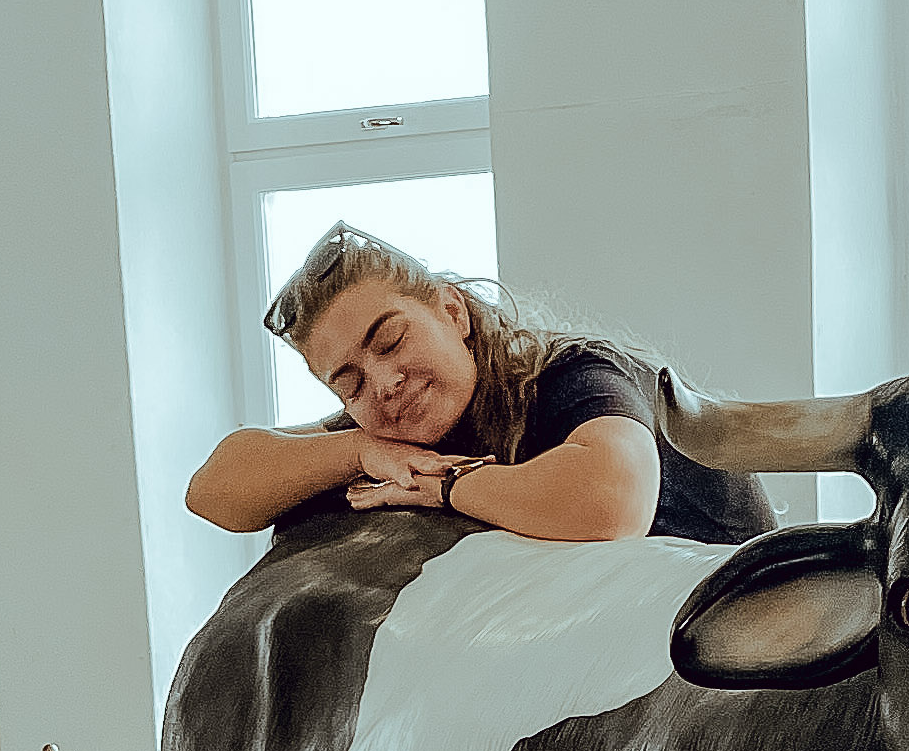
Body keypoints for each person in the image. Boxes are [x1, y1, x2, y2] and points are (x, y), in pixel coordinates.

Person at [185, 225, 773, 548]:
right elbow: (213, 491)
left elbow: (609, 505)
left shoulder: (578, 375)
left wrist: (446, 485)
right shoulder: (388, 428)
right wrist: (358, 450)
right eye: (350, 383)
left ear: (452, 312)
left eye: (390, 343)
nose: (385, 383)